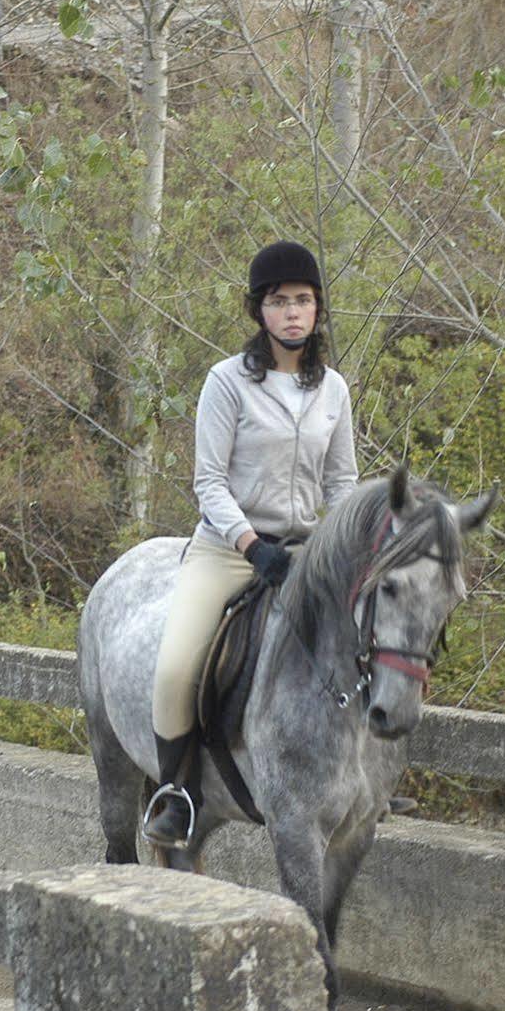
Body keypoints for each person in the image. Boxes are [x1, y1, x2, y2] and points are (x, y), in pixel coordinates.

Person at [143, 240, 360, 846]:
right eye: (279, 301)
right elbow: (208, 480)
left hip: (306, 552)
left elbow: (342, 483)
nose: (293, 312)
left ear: (317, 310)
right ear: (260, 311)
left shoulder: (334, 391)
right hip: (228, 551)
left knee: (377, 637)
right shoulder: (227, 382)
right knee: (176, 667)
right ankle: (176, 793)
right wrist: (249, 544)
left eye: (304, 301)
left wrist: (347, 549)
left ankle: (364, 775)